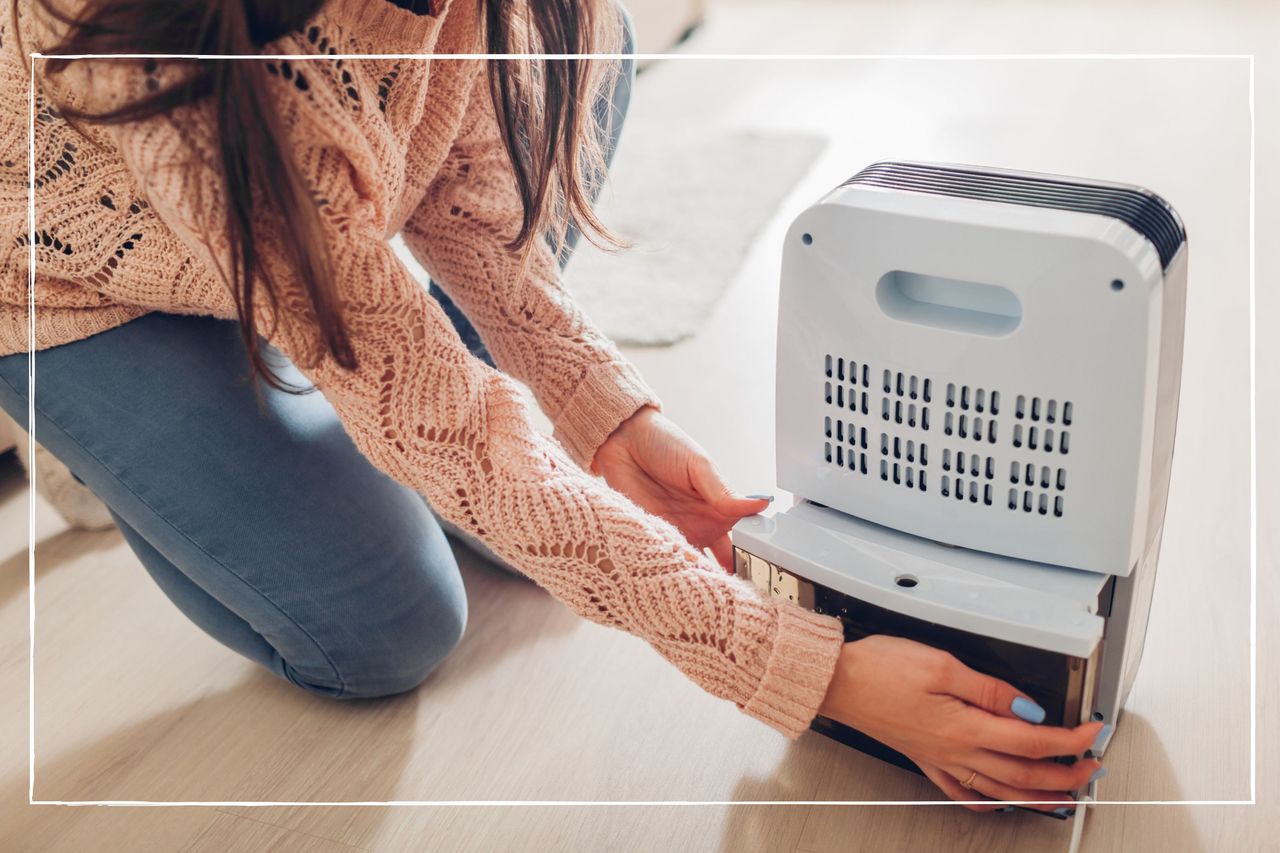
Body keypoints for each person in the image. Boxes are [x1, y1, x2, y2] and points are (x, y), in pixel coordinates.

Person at [0, 0, 1104, 812]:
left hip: (296, 228)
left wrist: (604, 416)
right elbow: (437, 410)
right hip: (72, 283)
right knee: (385, 634)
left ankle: (339, 359)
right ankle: (152, 416)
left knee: (587, 44)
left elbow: (468, 206)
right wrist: (799, 669)